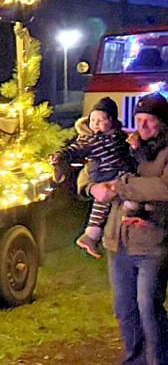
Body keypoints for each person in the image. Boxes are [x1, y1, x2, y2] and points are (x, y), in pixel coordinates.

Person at [86, 92, 168, 365]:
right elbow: (93, 167)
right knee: (125, 309)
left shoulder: (164, 152)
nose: (142, 126)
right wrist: (91, 186)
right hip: (118, 239)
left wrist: (120, 186)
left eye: (150, 121)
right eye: (139, 120)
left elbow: (163, 188)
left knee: (149, 309)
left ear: (162, 124)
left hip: (152, 242)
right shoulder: (125, 144)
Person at [52, 97, 137, 258]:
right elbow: (75, 149)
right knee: (109, 193)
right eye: (92, 120)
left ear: (112, 121)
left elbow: (128, 155)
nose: (96, 123)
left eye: (101, 120)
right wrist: (61, 156)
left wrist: (133, 147)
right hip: (104, 173)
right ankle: (128, 206)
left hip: (118, 172)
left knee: (102, 203)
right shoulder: (90, 140)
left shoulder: (119, 138)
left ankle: (91, 235)